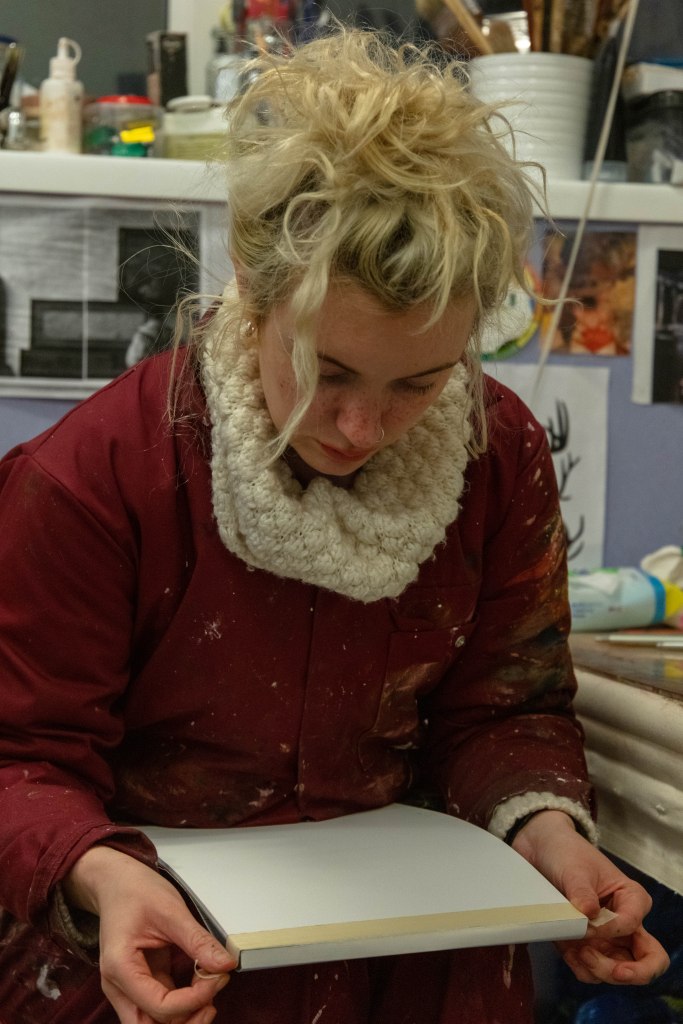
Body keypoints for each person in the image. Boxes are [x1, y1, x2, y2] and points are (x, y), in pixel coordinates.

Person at [0, 27, 669, 1024]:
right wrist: (100, 872)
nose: (361, 427)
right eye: (327, 371)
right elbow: (20, 758)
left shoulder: (495, 453)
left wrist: (548, 835)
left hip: (410, 959)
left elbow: (502, 711)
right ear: (254, 288)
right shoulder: (96, 475)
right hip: (156, 950)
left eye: (418, 381)